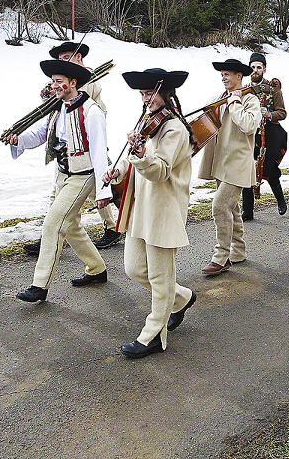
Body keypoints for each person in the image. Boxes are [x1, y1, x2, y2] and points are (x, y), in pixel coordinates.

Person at [103, 68, 196, 359]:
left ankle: (153, 335)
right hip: (140, 207)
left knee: (158, 276)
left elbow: (159, 171)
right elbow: (133, 165)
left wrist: (142, 153)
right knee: (135, 269)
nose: (145, 100)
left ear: (166, 94)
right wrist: (116, 172)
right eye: (142, 94)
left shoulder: (175, 129)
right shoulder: (147, 122)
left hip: (164, 209)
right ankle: (181, 298)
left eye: (150, 94)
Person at [3, 59, 111, 302]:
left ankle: (39, 285)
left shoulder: (92, 111)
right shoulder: (57, 107)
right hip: (63, 172)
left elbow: (99, 151)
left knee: (53, 224)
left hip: (83, 175)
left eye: (59, 82)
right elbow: (41, 134)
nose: (55, 87)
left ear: (74, 83)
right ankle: (97, 269)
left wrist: (103, 191)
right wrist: (18, 140)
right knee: (70, 225)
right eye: (53, 82)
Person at [23, 42, 122, 256]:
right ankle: (50, 233)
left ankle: (117, 225)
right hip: (66, 151)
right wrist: (49, 94)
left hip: (85, 144)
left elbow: (78, 96)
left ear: (78, 58)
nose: (63, 61)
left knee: (101, 185)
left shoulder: (90, 79)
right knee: (58, 193)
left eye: (67, 56)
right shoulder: (66, 79)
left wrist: (58, 88)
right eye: (61, 58)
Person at [197, 59, 262, 276]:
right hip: (220, 161)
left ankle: (221, 256)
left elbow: (249, 125)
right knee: (231, 208)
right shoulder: (219, 98)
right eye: (222, 74)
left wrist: (235, 103)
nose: (224, 77)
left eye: (228, 74)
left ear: (239, 76)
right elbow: (205, 122)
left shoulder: (250, 99)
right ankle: (238, 250)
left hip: (238, 163)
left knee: (219, 206)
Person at [242, 53, 288, 220]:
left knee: (269, 169)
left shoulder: (273, 89)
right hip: (249, 134)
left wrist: (268, 114)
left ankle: (281, 200)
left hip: (269, 135)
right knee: (247, 170)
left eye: (259, 67)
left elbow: (282, 113)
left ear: (264, 69)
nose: (255, 70)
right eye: (253, 67)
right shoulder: (244, 89)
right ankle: (248, 211)